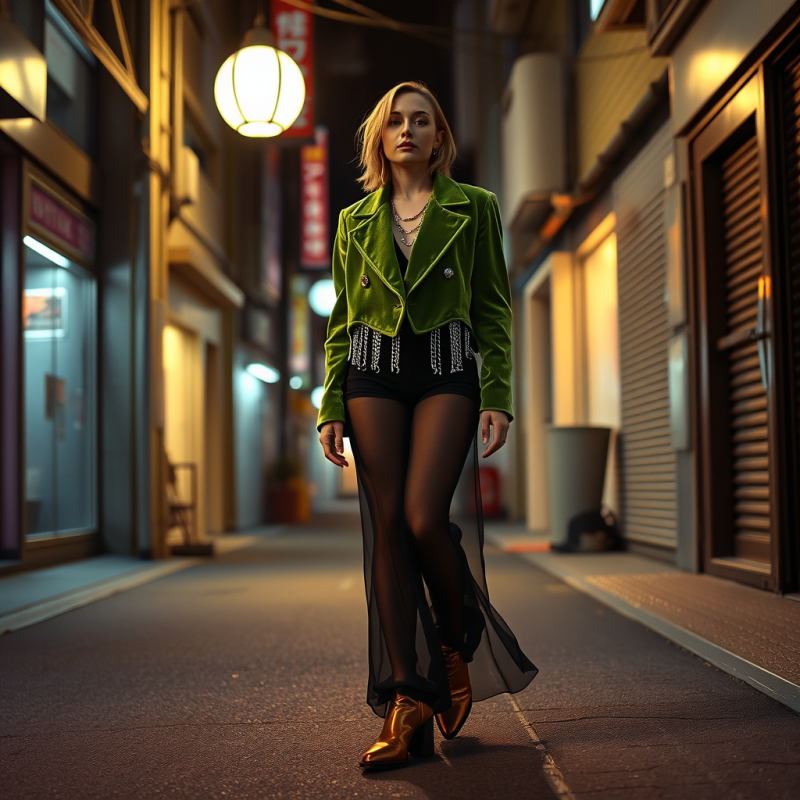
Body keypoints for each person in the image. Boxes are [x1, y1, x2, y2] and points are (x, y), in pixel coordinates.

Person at [316, 81, 538, 770]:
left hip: (446, 370)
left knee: (420, 517)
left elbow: (494, 309)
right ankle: (407, 699)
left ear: (440, 138)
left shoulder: (475, 209)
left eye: (422, 121)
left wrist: (497, 394)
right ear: (380, 138)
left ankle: (455, 632)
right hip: (371, 374)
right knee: (387, 525)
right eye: (395, 121)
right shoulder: (354, 221)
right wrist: (329, 403)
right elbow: (340, 325)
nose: (407, 130)